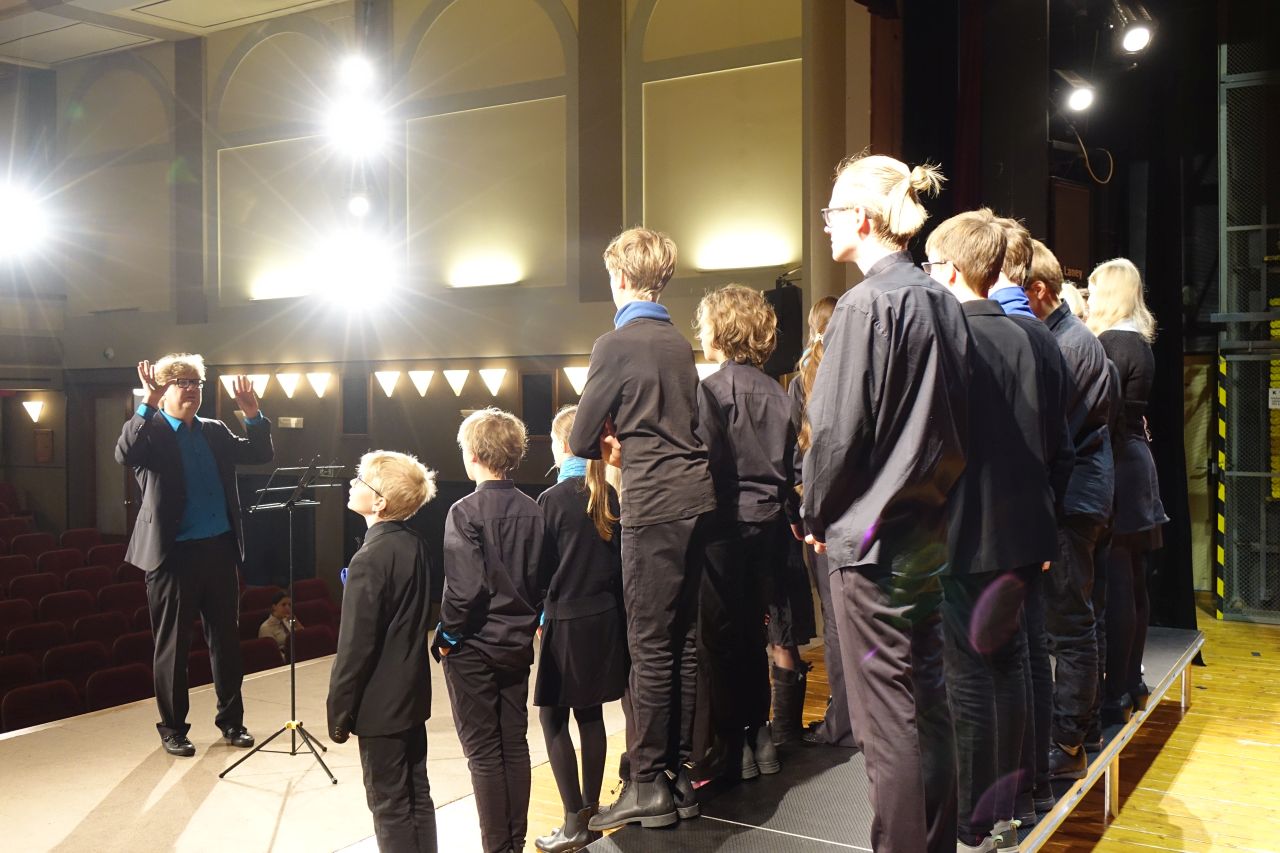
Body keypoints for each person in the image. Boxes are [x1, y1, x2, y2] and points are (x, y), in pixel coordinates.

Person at [802, 153, 965, 853]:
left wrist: (814, 513)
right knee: (927, 700)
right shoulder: (941, 300)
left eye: (832, 213)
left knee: (887, 720)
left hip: (868, 541)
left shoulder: (865, 305)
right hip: (926, 529)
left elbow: (837, 434)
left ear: (862, 219)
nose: (826, 225)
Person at [568, 227, 716, 830]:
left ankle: (648, 783)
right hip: (696, 499)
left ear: (621, 277)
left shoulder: (615, 343)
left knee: (650, 646)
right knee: (682, 641)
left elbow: (580, 437)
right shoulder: (678, 343)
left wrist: (612, 440)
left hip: (653, 503)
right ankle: (677, 775)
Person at [926, 210, 1056, 853]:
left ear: (951, 271)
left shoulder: (952, 339)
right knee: (1009, 666)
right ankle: (1008, 807)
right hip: (1025, 529)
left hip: (967, 530)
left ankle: (975, 820)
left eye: (931, 266)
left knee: (968, 676)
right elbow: (1051, 440)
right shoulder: (1033, 336)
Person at [116, 353, 273, 758]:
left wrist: (252, 414)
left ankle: (232, 722)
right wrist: (147, 402)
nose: (190, 389)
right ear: (164, 389)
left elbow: (259, 454)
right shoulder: (150, 431)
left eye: (196, 382)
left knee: (226, 643)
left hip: (218, 549)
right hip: (172, 556)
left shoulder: (214, 430)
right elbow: (125, 453)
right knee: (174, 647)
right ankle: (173, 729)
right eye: (181, 382)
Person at [693, 284, 798, 778]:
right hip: (770, 524)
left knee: (719, 641)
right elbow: (793, 466)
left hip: (724, 526)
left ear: (720, 328)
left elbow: (705, 462)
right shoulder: (778, 392)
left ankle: (731, 744)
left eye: (703, 325)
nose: (700, 334)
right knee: (755, 632)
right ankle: (762, 737)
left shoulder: (711, 392)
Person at [992, 217, 1075, 825]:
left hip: (999, 527)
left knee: (1009, 658)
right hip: (1033, 519)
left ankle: (1016, 793)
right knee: (1029, 650)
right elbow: (1061, 449)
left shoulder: (1002, 333)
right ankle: (1036, 785)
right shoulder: (1044, 335)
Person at [433, 408, 544, 853]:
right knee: (514, 744)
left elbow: (465, 591)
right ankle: (513, 844)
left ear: (473, 454)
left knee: (483, 753)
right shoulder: (534, 510)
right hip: (517, 642)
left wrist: (446, 638)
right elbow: (542, 580)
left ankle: (498, 849)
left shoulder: (464, 511)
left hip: (474, 647)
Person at [1024, 239, 1115, 780]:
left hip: (1074, 499)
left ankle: (1067, 742)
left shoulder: (1067, 344)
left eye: (1018, 291)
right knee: (1078, 619)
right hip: (1085, 494)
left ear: (1039, 290)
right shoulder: (1073, 339)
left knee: (1069, 624)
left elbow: (1055, 432)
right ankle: (1082, 730)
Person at [327, 451, 439, 853]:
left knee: (389, 804)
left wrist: (338, 709)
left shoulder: (369, 558)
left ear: (379, 502)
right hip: (411, 694)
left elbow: (355, 648)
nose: (352, 483)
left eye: (360, 480)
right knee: (417, 794)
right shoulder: (415, 544)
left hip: (379, 704)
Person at [532, 406, 627, 853]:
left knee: (552, 717)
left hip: (566, 619)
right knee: (590, 716)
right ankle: (590, 815)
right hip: (604, 617)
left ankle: (574, 822)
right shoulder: (608, 493)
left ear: (564, 445)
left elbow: (540, 570)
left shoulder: (551, 500)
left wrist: (537, 611)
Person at [1087, 258, 1169, 723]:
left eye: (1094, 289)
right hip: (1138, 463)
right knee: (1134, 580)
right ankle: (1131, 683)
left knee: (1119, 581)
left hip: (1119, 464)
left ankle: (1115, 691)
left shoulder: (1110, 344)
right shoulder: (1139, 341)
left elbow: (1107, 415)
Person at [789, 295, 857, 749]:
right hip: (864, 510)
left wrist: (803, 512)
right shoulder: (856, 368)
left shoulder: (804, 380)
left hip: (821, 513)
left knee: (834, 621)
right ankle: (865, 718)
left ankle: (843, 722)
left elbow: (799, 454)